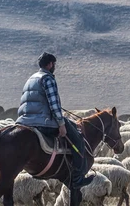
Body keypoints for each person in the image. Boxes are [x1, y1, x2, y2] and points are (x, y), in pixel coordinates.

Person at [16, 52, 94, 189]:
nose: (54, 67)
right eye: (54, 64)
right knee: (78, 140)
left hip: (24, 121)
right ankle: (78, 178)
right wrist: (61, 123)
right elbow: (53, 104)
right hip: (43, 121)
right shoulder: (48, 78)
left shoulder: (31, 78)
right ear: (50, 64)